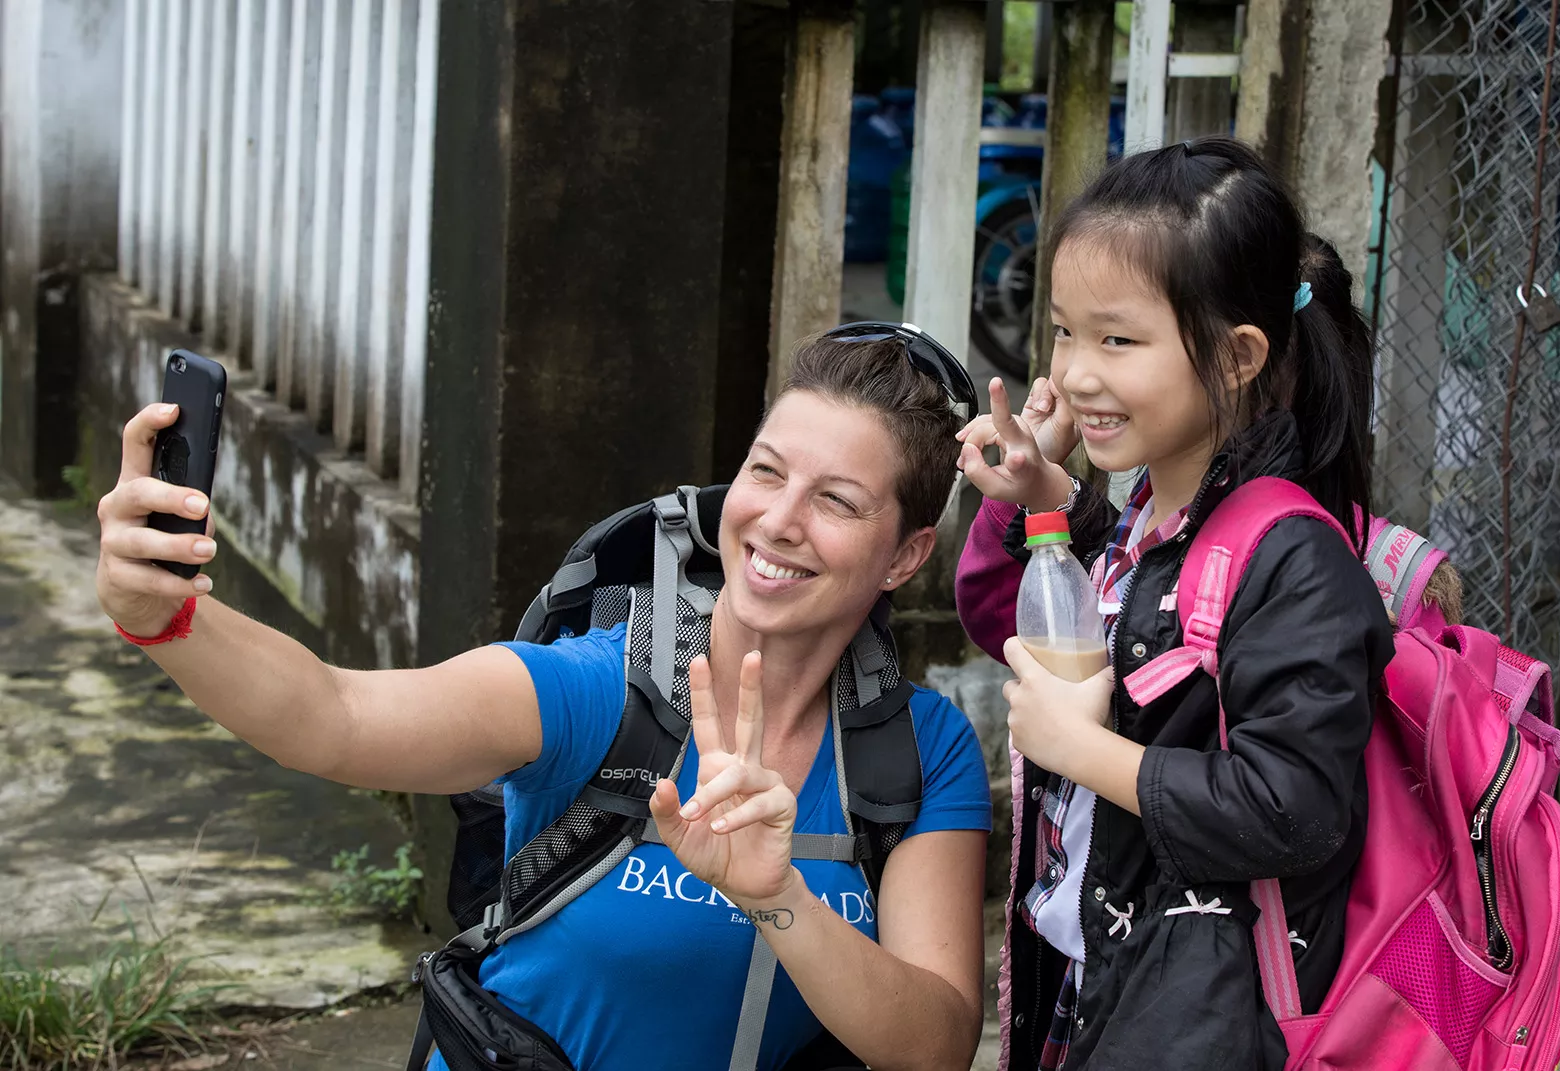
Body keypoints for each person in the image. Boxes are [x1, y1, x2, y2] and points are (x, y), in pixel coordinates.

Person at [94, 325, 994, 1071]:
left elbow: (939, 1044)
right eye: (766, 471)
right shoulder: (606, 686)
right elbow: (335, 715)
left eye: (836, 500)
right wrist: (165, 619)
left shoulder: (920, 748)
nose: (779, 518)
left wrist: (778, 895)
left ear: (907, 556)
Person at [953, 137, 1395, 1070]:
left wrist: (1085, 750)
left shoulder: (1294, 558)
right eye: (1066, 331)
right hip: (1098, 968)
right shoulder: (1149, 519)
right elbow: (1009, 627)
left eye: (1118, 339)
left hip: (1207, 1013)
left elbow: (1295, 808)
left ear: (1236, 356)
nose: (1074, 373)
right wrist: (1038, 501)